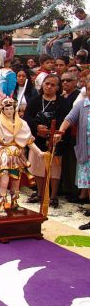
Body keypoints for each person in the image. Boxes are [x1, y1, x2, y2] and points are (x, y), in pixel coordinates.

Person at [0, 98, 44, 215]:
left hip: (17, 155)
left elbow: (29, 141)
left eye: (11, 108)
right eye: (6, 108)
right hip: (4, 155)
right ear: (3, 109)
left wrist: (39, 153)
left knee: (16, 181)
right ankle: (1, 205)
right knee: (4, 181)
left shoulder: (22, 123)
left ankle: (15, 202)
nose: (9, 110)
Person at [23, 74, 69, 208]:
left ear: (58, 88)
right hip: (37, 139)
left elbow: (64, 119)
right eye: (47, 83)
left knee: (54, 169)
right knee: (37, 167)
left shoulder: (62, 102)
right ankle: (40, 193)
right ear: (42, 84)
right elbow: (27, 117)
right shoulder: (35, 100)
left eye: (52, 85)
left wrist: (51, 132)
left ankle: (53, 196)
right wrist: (37, 126)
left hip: (55, 140)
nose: (49, 87)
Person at [55, 76, 90, 229]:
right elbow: (69, 119)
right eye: (89, 89)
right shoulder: (82, 104)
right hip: (86, 151)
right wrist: (60, 131)